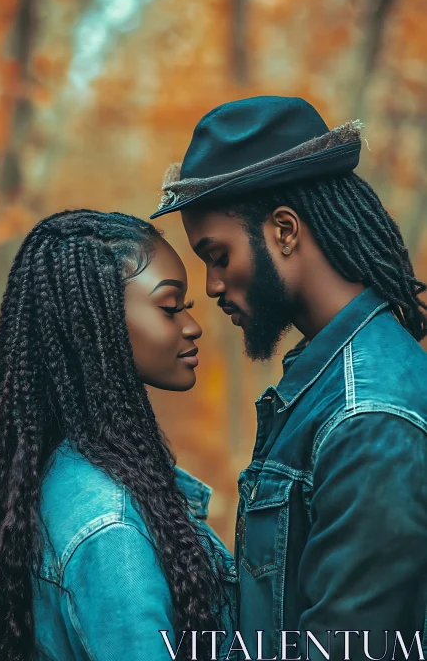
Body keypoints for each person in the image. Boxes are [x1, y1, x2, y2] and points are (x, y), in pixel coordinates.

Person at [151, 95, 427, 661]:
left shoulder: (365, 416)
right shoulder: (322, 384)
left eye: (218, 256)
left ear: (283, 231)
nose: (212, 285)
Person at [0, 210, 236, 661]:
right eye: (170, 307)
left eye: (187, 307)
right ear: (94, 321)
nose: (192, 326)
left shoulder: (65, 472)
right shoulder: (110, 531)